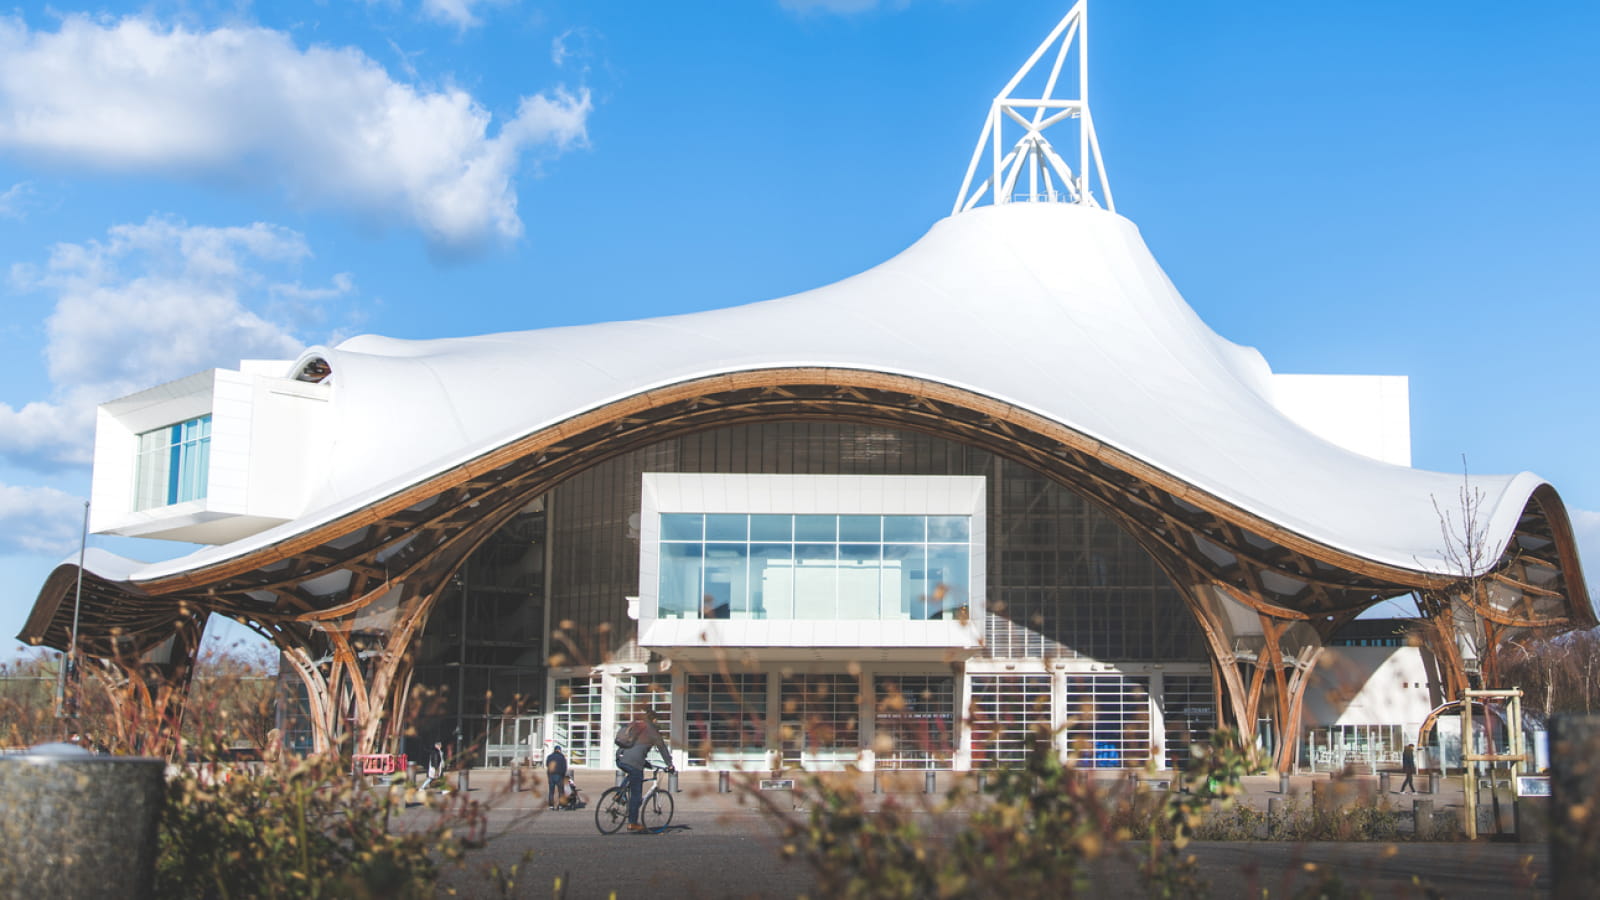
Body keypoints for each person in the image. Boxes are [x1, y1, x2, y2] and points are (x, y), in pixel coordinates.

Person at [615, 707, 674, 832]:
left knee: (632, 772)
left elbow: (635, 747)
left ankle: (619, 794)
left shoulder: (637, 725)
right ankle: (632, 823)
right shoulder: (653, 732)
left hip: (620, 757)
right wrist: (670, 764)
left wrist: (646, 763)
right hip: (634, 761)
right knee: (636, 794)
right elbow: (662, 749)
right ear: (654, 719)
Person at [545, 743, 569, 810]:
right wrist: (563, 775)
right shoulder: (562, 757)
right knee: (561, 791)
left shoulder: (549, 756)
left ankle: (551, 806)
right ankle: (561, 805)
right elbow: (564, 767)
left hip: (551, 775)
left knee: (551, 791)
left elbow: (547, 765)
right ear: (559, 750)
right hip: (559, 775)